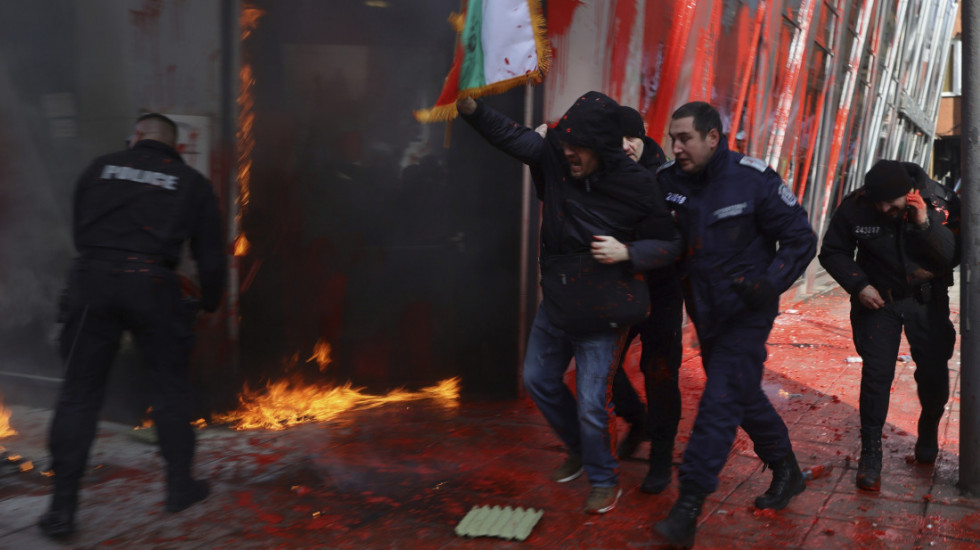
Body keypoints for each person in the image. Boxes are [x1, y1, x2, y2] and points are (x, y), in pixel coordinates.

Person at [456, 92, 681, 514]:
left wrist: (629, 253)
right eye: (564, 145)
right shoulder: (556, 160)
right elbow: (513, 137)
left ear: (602, 145)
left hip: (607, 309)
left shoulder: (638, 184)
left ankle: (603, 479)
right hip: (560, 298)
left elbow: (670, 244)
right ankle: (581, 448)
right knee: (537, 378)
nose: (568, 154)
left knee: (593, 403)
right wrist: (472, 110)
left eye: (578, 147)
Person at [39, 113, 227, 537]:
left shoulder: (97, 168)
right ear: (174, 146)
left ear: (136, 137)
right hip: (153, 286)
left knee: (78, 396)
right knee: (169, 389)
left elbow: (78, 229)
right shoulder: (190, 183)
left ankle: (62, 510)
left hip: (92, 281)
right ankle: (180, 486)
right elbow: (210, 256)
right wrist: (209, 302)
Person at [653, 102, 816, 547]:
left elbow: (802, 238)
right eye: (672, 138)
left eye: (685, 138)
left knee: (720, 398)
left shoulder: (752, 178)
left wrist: (771, 282)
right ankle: (787, 470)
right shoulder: (667, 182)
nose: (677, 146)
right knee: (740, 393)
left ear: (712, 137)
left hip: (748, 310)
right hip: (705, 312)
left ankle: (687, 506)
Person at [818, 160, 959, 491]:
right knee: (876, 376)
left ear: (910, 194)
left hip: (927, 301)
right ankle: (871, 454)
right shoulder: (856, 206)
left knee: (933, 373)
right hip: (878, 300)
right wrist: (858, 285)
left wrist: (925, 224)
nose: (883, 209)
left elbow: (952, 254)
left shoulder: (939, 202)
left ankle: (927, 433)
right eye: (877, 202)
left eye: (891, 203)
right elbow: (833, 251)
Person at [603, 106, 686, 496]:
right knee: (602, 365)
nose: (625, 145)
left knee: (661, 373)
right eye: (616, 138)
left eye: (631, 137)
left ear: (644, 137)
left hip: (662, 290)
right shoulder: (603, 174)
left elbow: (679, 241)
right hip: (619, 288)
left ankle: (660, 455)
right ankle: (635, 416)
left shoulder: (669, 177)